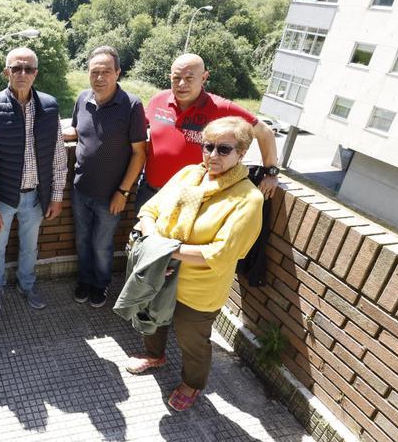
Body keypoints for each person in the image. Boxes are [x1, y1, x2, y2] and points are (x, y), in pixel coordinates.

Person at [124, 116, 263, 412]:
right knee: (152, 319)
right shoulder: (189, 174)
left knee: (193, 341)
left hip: (199, 288)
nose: (212, 155)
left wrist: (164, 249)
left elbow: (222, 253)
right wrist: (155, 242)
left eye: (223, 149)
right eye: (208, 146)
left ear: (241, 153)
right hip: (161, 272)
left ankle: (192, 383)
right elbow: (150, 210)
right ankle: (155, 355)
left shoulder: (248, 199)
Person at [0, 47, 68, 314]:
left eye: (28, 69)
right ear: (7, 72)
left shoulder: (50, 107)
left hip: (36, 196)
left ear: (35, 73)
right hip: (4, 197)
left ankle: (27, 285)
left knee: (30, 247)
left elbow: (58, 155)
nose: (22, 73)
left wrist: (56, 195)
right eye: (16, 68)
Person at [136, 53, 278, 209]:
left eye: (189, 78)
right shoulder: (158, 100)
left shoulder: (222, 107)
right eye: (176, 78)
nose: (182, 84)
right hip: (150, 193)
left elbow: (265, 132)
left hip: (193, 199)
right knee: (141, 232)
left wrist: (271, 173)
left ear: (203, 78)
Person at [62, 46, 147, 308]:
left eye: (106, 72)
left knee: (101, 245)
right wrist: (51, 131)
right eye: (94, 72)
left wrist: (122, 192)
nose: (99, 77)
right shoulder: (82, 98)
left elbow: (139, 153)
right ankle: (85, 280)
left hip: (111, 195)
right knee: (82, 240)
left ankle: (101, 284)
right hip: (80, 189)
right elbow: (77, 130)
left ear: (118, 73)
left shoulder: (131, 105)